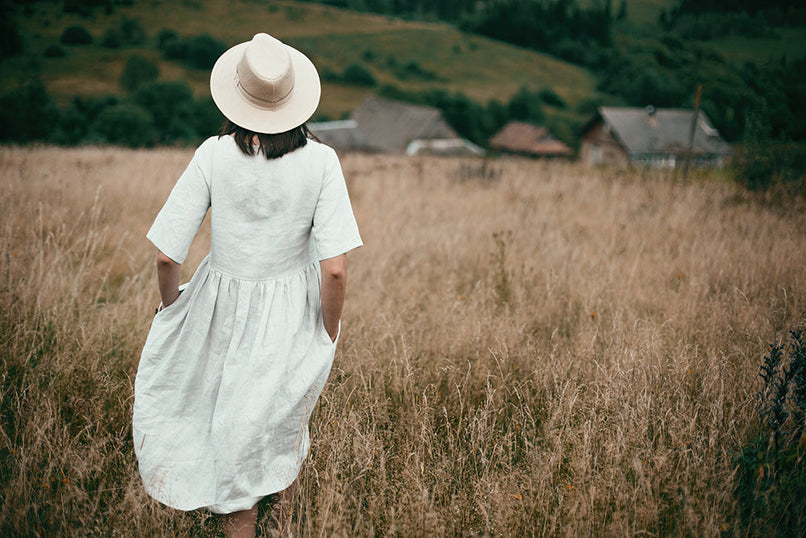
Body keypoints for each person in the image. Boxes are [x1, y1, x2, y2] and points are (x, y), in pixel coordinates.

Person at [132, 33, 362, 537]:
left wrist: (173, 312)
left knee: (233, 426)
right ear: (293, 101)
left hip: (219, 306)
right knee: (284, 423)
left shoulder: (213, 154)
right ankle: (280, 528)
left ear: (236, 96)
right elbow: (336, 269)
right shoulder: (322, 162)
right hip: (295, 311)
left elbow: (168, 254)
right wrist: (327, 331)